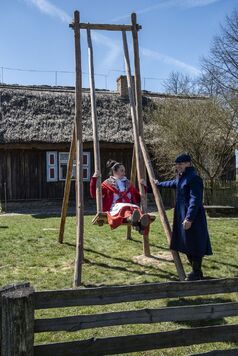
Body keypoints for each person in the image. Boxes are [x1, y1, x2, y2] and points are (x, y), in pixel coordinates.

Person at [154, 153, 212, 280]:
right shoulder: (182, 177)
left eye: (180, 164)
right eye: (177, 164)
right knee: (186, 242)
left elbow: (195, 199)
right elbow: (173, 183)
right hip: (182, 215)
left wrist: (189, 218)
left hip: (193, 217)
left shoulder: (194, 178)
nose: (178, 166)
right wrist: (158, 184)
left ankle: (196, 272)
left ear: (188, 163)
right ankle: (197, 272)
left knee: (194, 242)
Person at [90, 159, 150, 234]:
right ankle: (134, 221)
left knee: (136, 209)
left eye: (124, 171)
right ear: (115, 172)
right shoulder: (106, 184)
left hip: (129, 207)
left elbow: (138, 198)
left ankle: (140, 225)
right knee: (124, 207)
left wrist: (143, 186)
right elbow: (94, 194)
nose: (124, 173)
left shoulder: (128, 184)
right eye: (122, 171)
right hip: (114, 208)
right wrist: (94, 179)